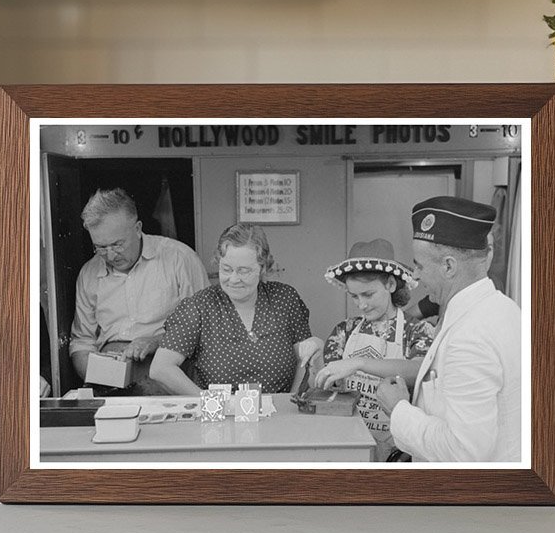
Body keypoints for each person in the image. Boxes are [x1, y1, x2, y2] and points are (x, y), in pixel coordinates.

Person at [375, 196, 522, 463]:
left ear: (449, 266)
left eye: (419, 265)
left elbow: (464, 450)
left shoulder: (470, 336)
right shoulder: (505, 309)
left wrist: (398, 409)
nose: (415, 277)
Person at [149, 223, 321, 395]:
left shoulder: (284, 299)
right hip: (219, 416)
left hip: (277, 412)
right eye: (226, 269)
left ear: (263, 268)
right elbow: (161, 369)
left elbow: (304, 359)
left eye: (244, 271)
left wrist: (292, 399)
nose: (233, 279)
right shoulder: (199, 306)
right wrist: (208, 403)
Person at [69, 188, 208, 390]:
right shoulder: (89, 273)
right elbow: (82, 341)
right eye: (100, 247)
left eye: (117, 244)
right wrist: (98, 376)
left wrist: (155, 342)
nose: (110, 255)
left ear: (137, 228)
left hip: (170, 367)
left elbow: (205, 327)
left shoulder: (180, 259)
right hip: (109, 373)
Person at [316, 239, 435, 461]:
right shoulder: (345, 331)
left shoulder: (417, 331)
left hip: (399, 451)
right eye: (354, 296)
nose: (361, 305)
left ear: (390, 284)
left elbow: (419, 370)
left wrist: (358, 363)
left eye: (368, 295)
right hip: (349, 445)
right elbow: (330, 392)